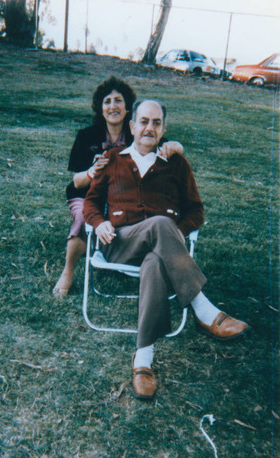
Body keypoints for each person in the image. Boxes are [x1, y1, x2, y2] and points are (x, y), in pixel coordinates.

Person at [83, 99, 250, 400]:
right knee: (161, 225)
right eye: (144, 121)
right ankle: (203, 308)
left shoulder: (176, 164)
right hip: (120, 243)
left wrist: (178, 233)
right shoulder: (112, 159)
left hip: (160, 249)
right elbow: (90, 203)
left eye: (156, 123)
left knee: (156, 261)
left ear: (163, 129)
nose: (150, 128)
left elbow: (195, 211)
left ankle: (143, 359)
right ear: (132, 126)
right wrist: (98, 223)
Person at [53, 77, 184, 298]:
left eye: (118, 100)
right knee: (84, 219)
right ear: (100, 108)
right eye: (107, 101)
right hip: (86, 193)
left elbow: (169, 145)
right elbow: (76, 182)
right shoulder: (86, 136)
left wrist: (175, 146)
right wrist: (93, 171)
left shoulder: (138, 129)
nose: (113, 106)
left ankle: (131, 257)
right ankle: (68, 271)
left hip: (121, 196)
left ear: (127, 108)